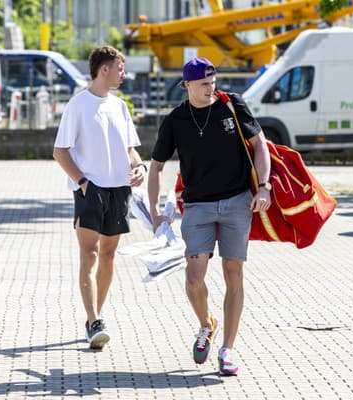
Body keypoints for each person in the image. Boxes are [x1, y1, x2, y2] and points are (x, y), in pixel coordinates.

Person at [147, 57, 271, 375]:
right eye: (203, 84)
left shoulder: (232, 106)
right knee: (194, 277)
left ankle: (227, 350)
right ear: (186, 85)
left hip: (236, 203)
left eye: (213, 81)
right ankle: (206, 325)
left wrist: (264, 187)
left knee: (233, 274)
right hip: (198, 206)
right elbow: (156, 166)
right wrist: (155, 212)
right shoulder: (176, 120)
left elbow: (260, 145)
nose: (210, 88)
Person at [53, 46, 146, 350]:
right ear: (104, 69)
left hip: (119, 189)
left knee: (108, 254)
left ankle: (96, 317)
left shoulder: (119, 106)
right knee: (89, 254)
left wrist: (139, 167)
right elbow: (60, 151)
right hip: (90, 189)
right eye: (120, 68)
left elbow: (130, 149)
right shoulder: (77, 106)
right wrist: (81, 181)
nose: (124, 74)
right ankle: (93, 320)